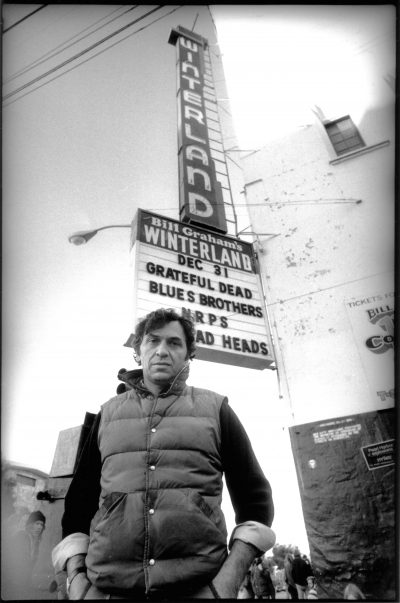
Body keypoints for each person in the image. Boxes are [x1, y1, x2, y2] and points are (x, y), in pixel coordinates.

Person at [52, 308, 275, 599]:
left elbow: (255, 503)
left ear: (188, 354)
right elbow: (78, 507)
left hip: (200, 589)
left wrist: (227, 582)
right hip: (108, 589)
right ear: (138, 351)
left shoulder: (217, 410)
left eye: (174, 343)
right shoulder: (107, 414)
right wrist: (77, 580)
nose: (161, 351)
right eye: (152, 341)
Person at [2, 510, 46, 599]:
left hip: (22, 582)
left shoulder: (35, 541)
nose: (39, 527)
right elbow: (18, 563)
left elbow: (30, 564)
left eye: (41, 525)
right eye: (37, 523)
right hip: (11, 580)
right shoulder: (22, 536)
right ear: (30, 524)